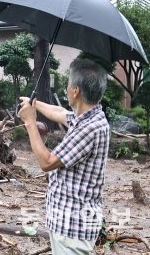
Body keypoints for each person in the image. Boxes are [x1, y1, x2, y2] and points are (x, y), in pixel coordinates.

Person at [18, 57, 109, 254]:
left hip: (73, 229)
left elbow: (47, 162)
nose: (67, 88)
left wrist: (30, 122)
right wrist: (34, 103)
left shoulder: (88, 129)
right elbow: (60, 112)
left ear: (75, 91)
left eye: (69, 84)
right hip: (69, 223)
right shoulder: (90, 116)